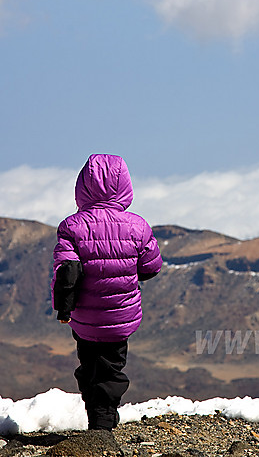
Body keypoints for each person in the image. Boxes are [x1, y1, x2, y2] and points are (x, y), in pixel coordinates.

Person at [51, 154, 163, 431]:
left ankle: (99, 420)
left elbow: (67, 271)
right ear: (125, 186)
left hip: (84, 320)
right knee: (111, 368)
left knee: (89, 367)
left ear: (83, 187)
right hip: (121, 318)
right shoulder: (138, 226)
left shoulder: (71, 227)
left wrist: (63, 309)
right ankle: (104, 423)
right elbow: (151, 268)